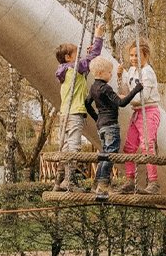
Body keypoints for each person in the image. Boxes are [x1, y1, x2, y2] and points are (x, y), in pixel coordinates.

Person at [53, 24, 105, 191]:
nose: (79, 58)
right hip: (75, 113)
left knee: (65, 146)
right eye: (76, 55)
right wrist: (98, 36)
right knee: (74, 146)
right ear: (68, 57)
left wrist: (87, 56)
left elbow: (87, 62)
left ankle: (59, 181)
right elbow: (94, 58)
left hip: (64, 114)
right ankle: (69, 180)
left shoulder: (64, 71)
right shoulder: (75, 69)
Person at [85, 56, 143, 195]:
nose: (110, 75)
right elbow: (121, 103)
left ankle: (97, 183)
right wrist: (136, 90)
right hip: (111, 124)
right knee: (110, 154)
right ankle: (104, 184)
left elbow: (87, 103)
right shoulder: (105, 88)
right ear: (100, 73)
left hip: (101, 125)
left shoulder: (93, 87)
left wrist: (97, 118)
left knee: (105, 154)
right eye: (109, 72)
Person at [118, 37, 162, 194]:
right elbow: (126, 87)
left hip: (148, 111)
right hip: (137, 113)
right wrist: (119, 76)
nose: (133, 59)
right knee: (129, 147)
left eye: (137, 55)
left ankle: (153, 182)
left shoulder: (148, 73)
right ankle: (130, 180)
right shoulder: (132, 71)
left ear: (146, 55)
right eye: (131, 55)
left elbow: (140, 98)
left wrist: (126, 98)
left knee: (147, 146)